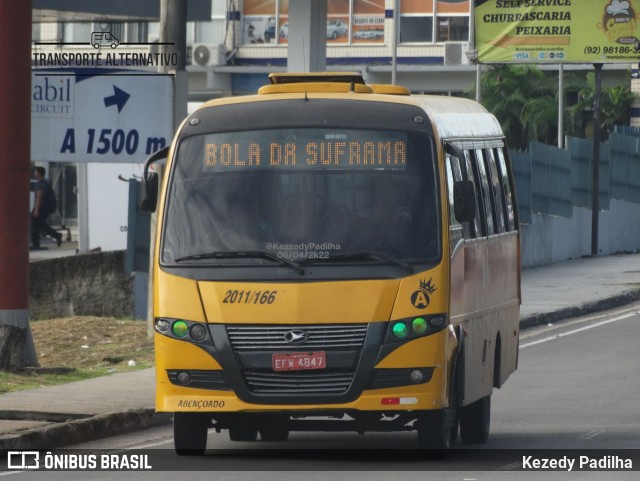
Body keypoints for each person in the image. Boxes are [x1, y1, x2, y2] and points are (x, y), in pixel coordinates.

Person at [30, 166, 62, 250]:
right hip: (45, 208)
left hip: (40, 208)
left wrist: (36, 210)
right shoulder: (47, 182)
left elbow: (39, 197)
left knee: (34, 225)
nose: (34, 174)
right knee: (41, 225)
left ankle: (36, 244)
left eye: (35, 172)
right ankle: (56, 235)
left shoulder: (40, 184)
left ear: (39, 173)